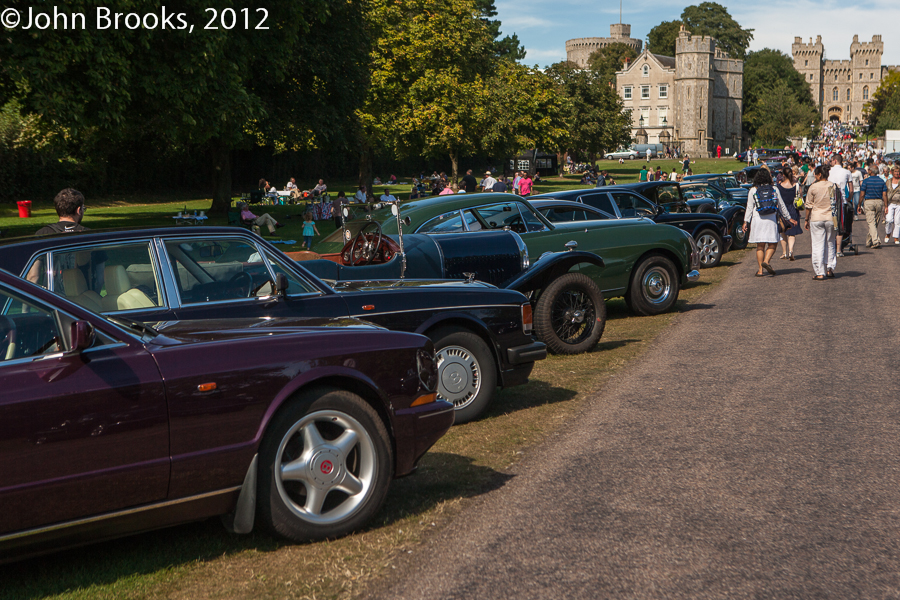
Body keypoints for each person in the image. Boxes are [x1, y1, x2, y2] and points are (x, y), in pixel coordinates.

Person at [742, 169, 795, 277]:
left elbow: (749, 207)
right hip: (771, 219)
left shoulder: (753, 190)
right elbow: (781, 205)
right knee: (773, 243)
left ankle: (760, 271)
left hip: (758, 219)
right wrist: (789, 218)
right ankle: (766, 261)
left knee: (760, 246)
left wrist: (745, 222)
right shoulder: (774, 189)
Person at [804, 165, 837, 279]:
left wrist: (806, 219)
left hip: (816, 217)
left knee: (818, 245)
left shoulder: (813, 187)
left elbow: (809, 205)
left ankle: (819, 272)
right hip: (831, 218)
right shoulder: (832, 185)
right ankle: (829, 268)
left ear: (819, 175)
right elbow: (836, 202)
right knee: (830, 243)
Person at [777, 166, 803, 261]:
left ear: (783, 175)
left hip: (782, 210)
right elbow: (800, 196)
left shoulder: (779, 186)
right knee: (792, 233)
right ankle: (791, 250)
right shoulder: (796, 185)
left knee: (783, 231)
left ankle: (784, 253)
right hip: (793, 209)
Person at [859, 165, 888, 248]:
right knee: (874, 223)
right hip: (879, 202)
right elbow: (884, 194)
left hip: (869, 202)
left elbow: (862, 194)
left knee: (871, 223)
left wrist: (859, 204)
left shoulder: (866, 181)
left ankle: (875, 241)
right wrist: (886, 206)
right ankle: (869, 241)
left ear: (871, 171)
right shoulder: (882, 181)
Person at [885, 165, 900, 244]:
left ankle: (896, 237)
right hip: (890, 202)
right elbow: (885, 192)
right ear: (892, 172)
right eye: (896, 171)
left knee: (897, 221)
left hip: (899, 203)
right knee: (889, 220)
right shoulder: (888, 181)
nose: (897, 173)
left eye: (898, 171)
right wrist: (885, 205)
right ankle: (888, 234)